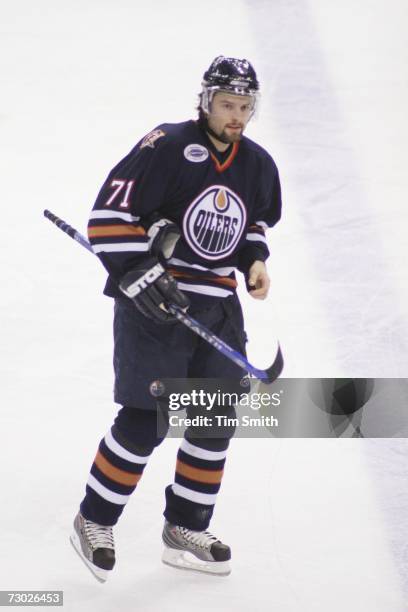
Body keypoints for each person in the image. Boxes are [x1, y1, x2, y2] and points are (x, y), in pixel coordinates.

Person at [70, 56, 282, 582]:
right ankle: (93, 520)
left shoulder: (257, 163)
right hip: (153, 309)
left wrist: (254, 260)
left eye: (245, 106)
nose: (236, 115)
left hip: (218, 306)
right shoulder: (165, 145)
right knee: (145, 421)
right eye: (227, 104)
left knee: (213, 423)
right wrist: (141, 272)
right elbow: (107, 218)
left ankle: (184, 528)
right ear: (206, 101)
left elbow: (252, 223)